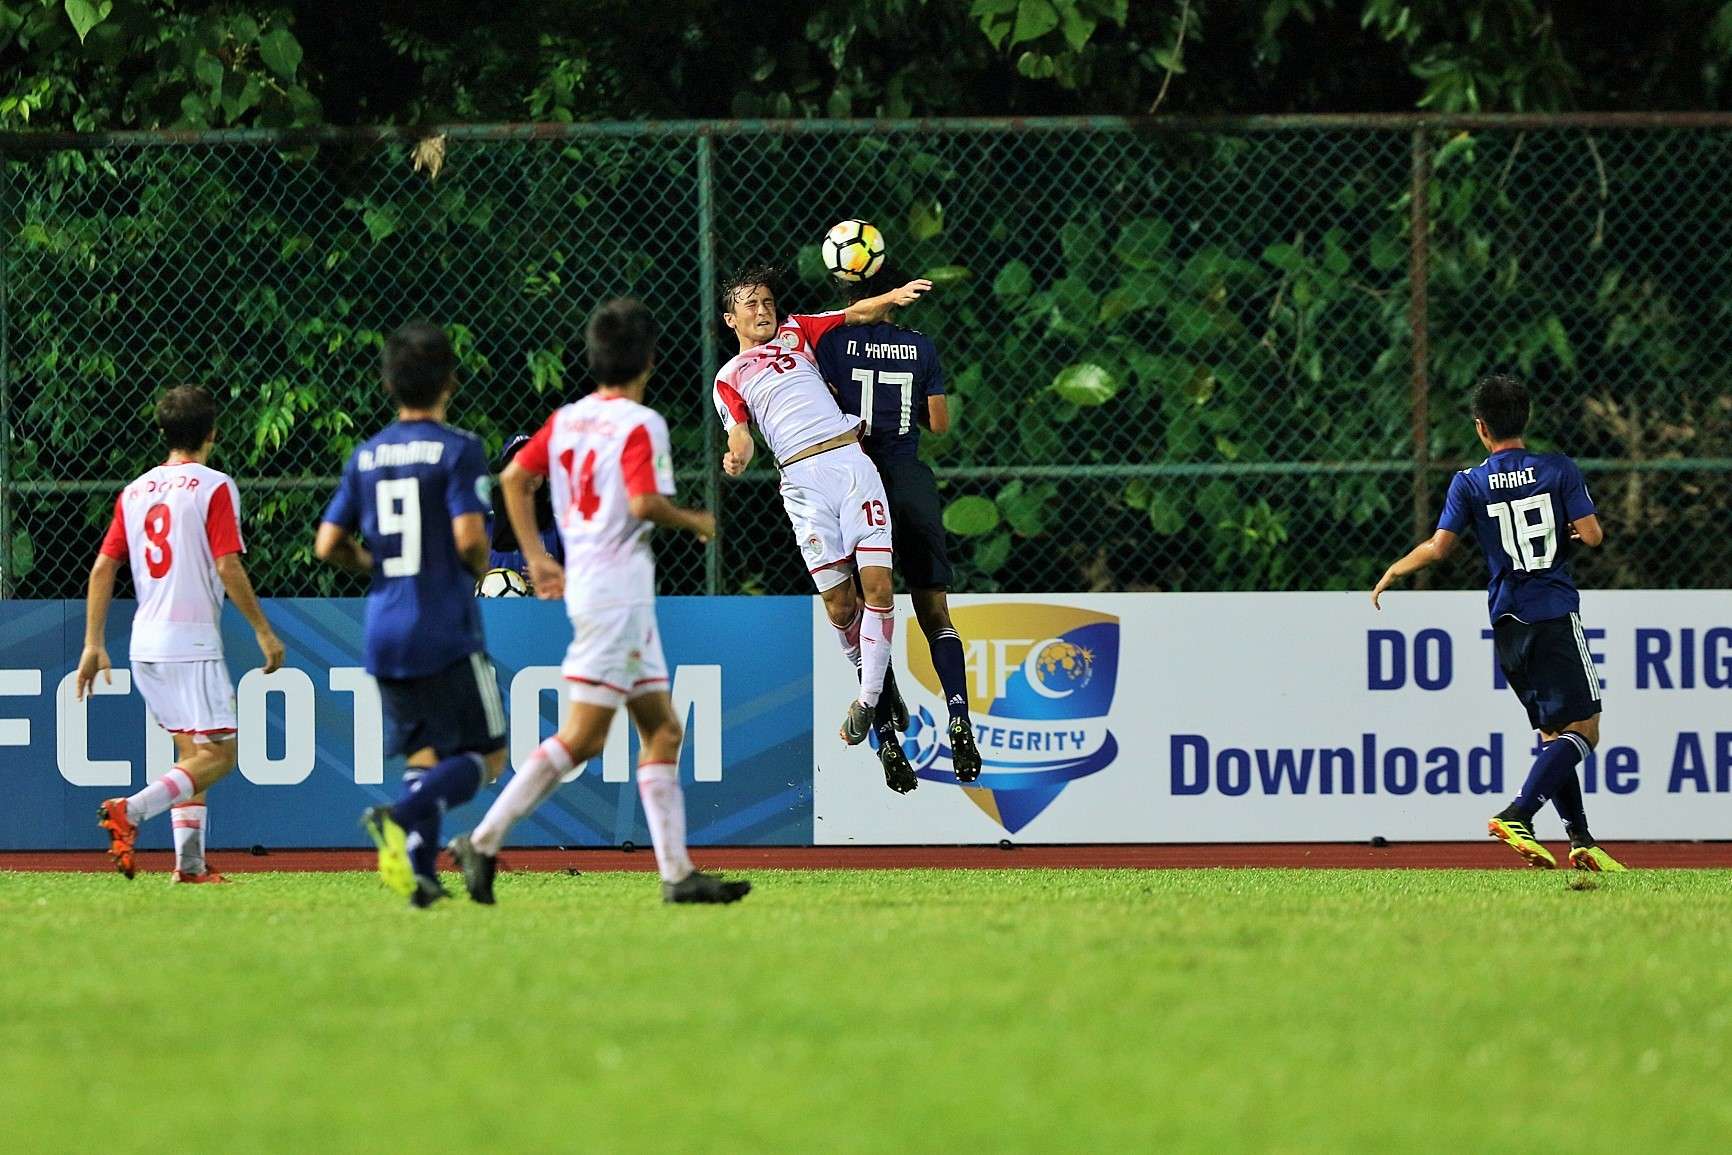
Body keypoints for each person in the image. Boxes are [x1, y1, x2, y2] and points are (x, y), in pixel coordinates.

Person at [448, 299, 749, 905]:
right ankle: (480, 842)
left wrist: (534, 555)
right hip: (615, 598)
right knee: (582, 739)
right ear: (649, 361)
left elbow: (513, 480)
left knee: (662, 729)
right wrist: (691, 518)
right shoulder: (642, 424)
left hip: (604, 594)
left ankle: (677, 875)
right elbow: (641, 504)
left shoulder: (566, 419)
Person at [1372, 374, 1625, 871]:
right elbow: (1592, 536)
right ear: (1525, 419)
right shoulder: (1558, 469)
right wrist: (1568, 533)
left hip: (1507, 621)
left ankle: (1581, 840)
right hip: (1551, 610)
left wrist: (1395, 569)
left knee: (1555, 734)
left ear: (1480, 428)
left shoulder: (1469, 481)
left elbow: (1440, 547)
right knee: (1586, 732)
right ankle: (1518, 814)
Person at [314, 320, 510, 907]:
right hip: (443, 624)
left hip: (384, 627)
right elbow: (473, 540)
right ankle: (400, 818)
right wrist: (470, 572)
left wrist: (377, 565)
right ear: (450, 380)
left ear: (389, 384)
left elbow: (327, 544)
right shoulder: (460, 449)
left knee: (423, 756)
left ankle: (422, 875)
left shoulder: (366, 454)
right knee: (488, 756)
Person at [714, 264, 929, 793]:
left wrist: (894, 297)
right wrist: (736, 456)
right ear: (730, 318)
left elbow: (855, 312)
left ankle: (868, 700)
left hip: (852, 466)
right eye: (750, 305)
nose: (763, 311)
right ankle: (881, 685)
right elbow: (739, 432)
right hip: (802, 487)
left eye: (767, 301)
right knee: (840, 607)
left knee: (878, 588)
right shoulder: (730, 376)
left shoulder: (799, 330)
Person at [80, 384, 285, 883]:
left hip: (144, 645)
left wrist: (92, 642)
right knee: (220, 757)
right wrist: (262, 630)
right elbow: (227, 564)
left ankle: (188, 866)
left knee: (191, 755)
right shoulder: (214, 485)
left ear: (162, 432)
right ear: (213, 432)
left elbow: (104, 566)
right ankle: (130, 810)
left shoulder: (133, 491)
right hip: (191, 641)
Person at [816, 265, 982, 782]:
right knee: (935, 612)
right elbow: (939, 424)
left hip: (858, 481)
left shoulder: (832, 345)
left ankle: (887, 739)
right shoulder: (920, 347)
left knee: (869, 613)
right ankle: (960, 720)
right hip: (908, 478)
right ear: (891, 299)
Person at [484, 433, 564, 578]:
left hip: (545, 599)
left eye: (535, 463)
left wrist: (557, 572)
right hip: (490, 600)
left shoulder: (560, 522)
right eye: (519, 464)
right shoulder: (485, 521)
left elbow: (582, 575)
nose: (528, 472)